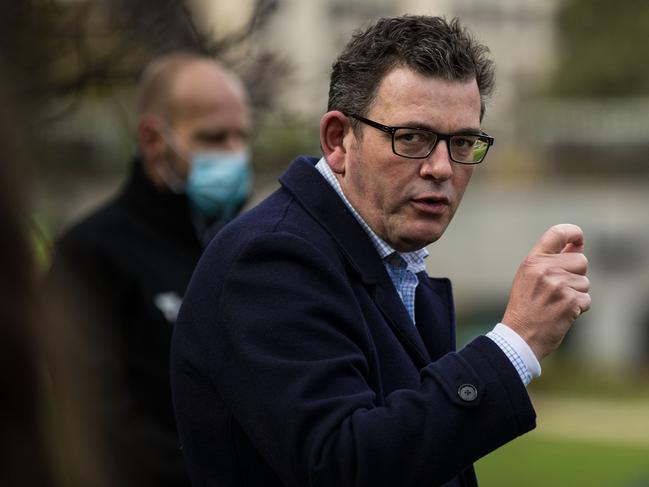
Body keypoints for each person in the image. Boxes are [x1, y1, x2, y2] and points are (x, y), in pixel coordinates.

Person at [171, 16, 591, 487]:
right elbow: (344, 466)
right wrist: (517, 342)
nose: (441, 168)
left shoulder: (393, 259)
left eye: (463, 143)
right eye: (412, 137)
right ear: (338, 141)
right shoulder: (271, 259)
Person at [47, 52, 253, 487]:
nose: (236, 154)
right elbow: (96, 419)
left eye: (242, 136)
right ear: (153, 140)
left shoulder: (246, 247)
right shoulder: (90, 253)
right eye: (215, 137)